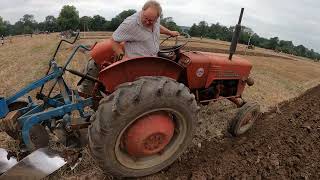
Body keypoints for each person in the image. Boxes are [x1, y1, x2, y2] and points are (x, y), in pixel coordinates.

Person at [111, 0, 180, 60]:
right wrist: (123, 59)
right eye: (145, 18)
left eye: (151, 21)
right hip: (137, 63)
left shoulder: (155, 19)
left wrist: (170, 32)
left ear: (157, 18)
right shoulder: (130, 23)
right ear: (143, 10)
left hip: (153, 58)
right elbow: (114, 40)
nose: (147, 22)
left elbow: (157, 26)